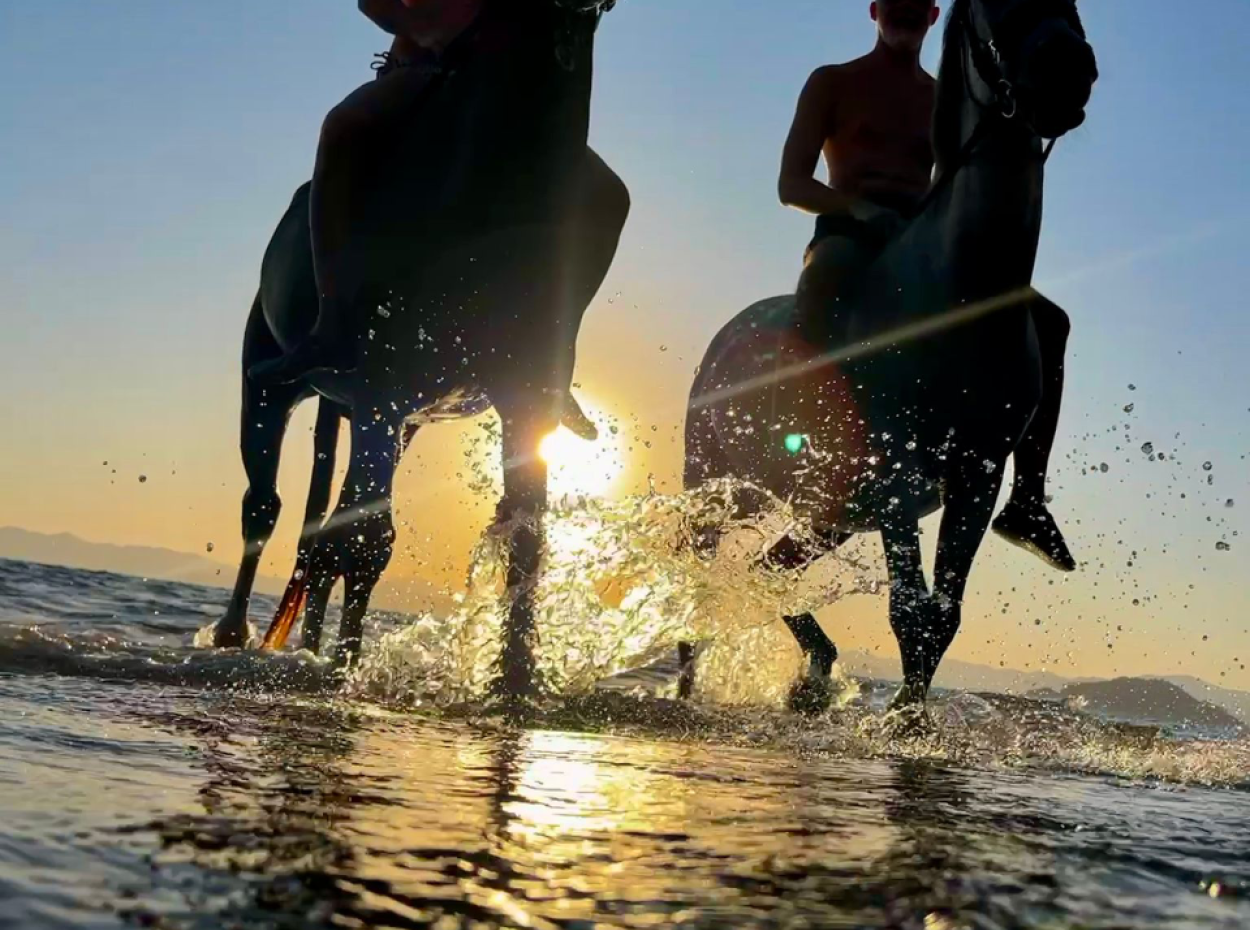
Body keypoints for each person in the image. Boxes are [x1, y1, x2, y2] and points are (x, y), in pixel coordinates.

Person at [778, 0, 1076, 571]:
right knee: (823, 281)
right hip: (848, 233)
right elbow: (791, 185)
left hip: (920, 241)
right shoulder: (832, 81)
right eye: (895, 0)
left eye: (918, 2)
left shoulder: (946, 97)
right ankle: (804, 435)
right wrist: (859, 209)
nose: (906, 9)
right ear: (874, 9)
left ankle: (1028, 499)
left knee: (1047, 321)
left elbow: (964, 182)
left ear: (935, 16)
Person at [251, 0, 485, 385]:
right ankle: (332, 320)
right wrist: (430, 32)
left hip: (518, 77)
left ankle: (553, 343)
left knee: (588, 176)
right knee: (342, 126)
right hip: (434, 70)